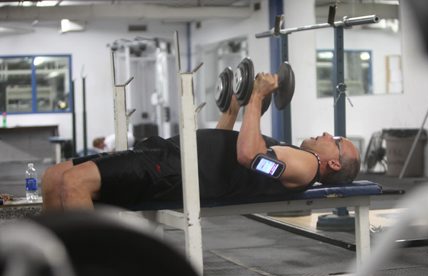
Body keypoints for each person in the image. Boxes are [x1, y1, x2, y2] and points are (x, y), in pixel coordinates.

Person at [41, 72, 360, 211]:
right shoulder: (294, 156)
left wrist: (258, 97)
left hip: (173, 169)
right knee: (54, 178)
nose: (327, 134)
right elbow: (227, 145)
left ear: (333, 162)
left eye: (336, 140)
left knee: (72, 184)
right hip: (169, 156)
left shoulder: (306, 166)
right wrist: (235, 109)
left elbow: (250, 157)